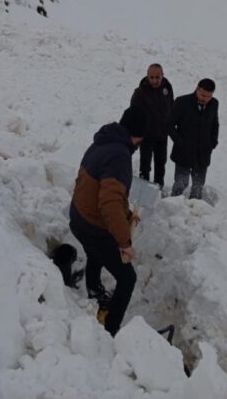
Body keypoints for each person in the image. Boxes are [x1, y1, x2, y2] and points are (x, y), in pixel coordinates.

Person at [69, 105, 146, 336]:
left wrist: (126, 216)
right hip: (92, 225)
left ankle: (94, 290)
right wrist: (125, 242)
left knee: (96, 252)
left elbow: (108, 194)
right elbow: (109, 203)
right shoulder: (120, 156)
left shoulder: (104, 141)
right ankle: (111, 329)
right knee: (128, 277)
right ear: (138, 136)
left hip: (79, 216)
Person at [168, 78, 219, 200]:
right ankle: (173, 209)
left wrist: (212, 142)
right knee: (180, 185)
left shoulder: (214, 104)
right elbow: (169, 125)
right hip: (183, 152)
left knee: (198, 187)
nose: (204, 99)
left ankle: (194, 212)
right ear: (197, 89)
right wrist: (179, 142)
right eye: (202, 95)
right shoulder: (182, 102)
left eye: (208, 96)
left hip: (203, 153)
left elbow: (215, 124)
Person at [130, 63, 174, 188]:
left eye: (157, 77)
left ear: (162, 76)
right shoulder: (140, 92)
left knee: (161, 165)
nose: (154, 80)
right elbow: (133, 115)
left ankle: (158, 190)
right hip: (147, 137)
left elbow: (171, 106)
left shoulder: (167, 87)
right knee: (145, 166)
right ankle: (143, 192)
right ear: (147, 76)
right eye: (152, 77)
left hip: (162, 136)